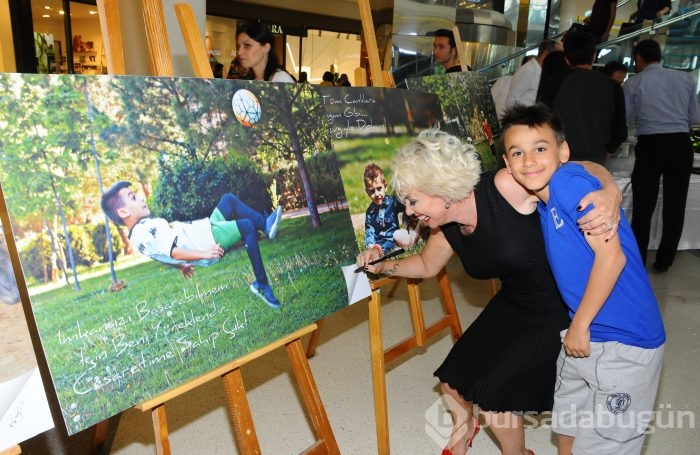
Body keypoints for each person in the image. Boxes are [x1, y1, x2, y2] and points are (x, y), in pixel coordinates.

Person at [356, 129, 621, 455]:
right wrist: (382, 267)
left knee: (497, 401)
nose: (409, 212)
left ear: (442, 192)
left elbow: (576, 169)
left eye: (413, 201)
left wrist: (610, 191)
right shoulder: (446, 227)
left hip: (557, 305)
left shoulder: (504, 188)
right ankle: (464, 427)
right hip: (515, 299)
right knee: (451, 381)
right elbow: (426, 265)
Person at [501, 103, 666, 455]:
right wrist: (607, 182)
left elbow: (612, 257)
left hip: (625, 342)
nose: (529, 161)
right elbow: (589, 165)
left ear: (562, 152)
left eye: (540, 148)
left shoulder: (566, 184)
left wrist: (579, 324)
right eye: (518, 153)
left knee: (608, 443)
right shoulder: (547, 195)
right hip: (587, 337)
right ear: (507, 163)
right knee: (568, 417)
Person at [101, 181, 284, 309]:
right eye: (133, 197)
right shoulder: (144, 230)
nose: (141, 198)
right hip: (206, 241)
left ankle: (266, 226)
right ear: (123, 211)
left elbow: (159, 254)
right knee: (247, 226)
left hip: (203, 229)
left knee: (229, 200)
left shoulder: (138, 235)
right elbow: (172, 252)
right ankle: (261, 283)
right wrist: (205, 253)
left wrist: (181, 267)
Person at [623, 39, 700, 271]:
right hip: (680, 143)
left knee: (644, 207)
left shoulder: (634, 82)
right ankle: (664, 262)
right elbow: (694, 117)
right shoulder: (686, 79)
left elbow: (626, 117)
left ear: (638, 59)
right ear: (660, 56)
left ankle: (638, 260)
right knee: (675, 204)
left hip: (650, 145)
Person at [550, 31, 627, 163]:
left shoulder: (554, 83)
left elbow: (543, 120)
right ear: (594, 56)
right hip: (596, 157)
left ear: (567, 59)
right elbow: (620, 130)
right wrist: (608, 151)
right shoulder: (612, 86)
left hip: (559, 156)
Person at [363, 163, 414, 253]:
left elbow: (405, 204)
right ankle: (376, 250)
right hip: (379, 241)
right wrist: (370, 243)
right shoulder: (370, 212)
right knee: (374, 247)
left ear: (385, 187)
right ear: (367, 192)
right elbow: (369, 230)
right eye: (372, 191)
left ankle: (384, 249)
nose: (376, 194)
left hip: (393, 238)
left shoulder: (393, 202)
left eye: (379, 189)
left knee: (398, 238)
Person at [505, 39, 562, 109]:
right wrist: (525, 118)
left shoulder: (542, 71)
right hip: (525, 118)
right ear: (546, 54)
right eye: (558, 56)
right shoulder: (528, 70)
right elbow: (511, 101)